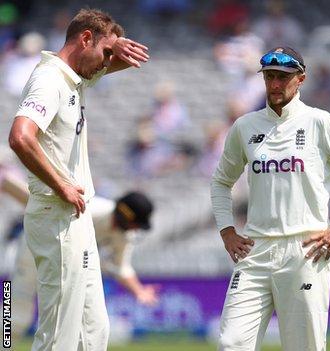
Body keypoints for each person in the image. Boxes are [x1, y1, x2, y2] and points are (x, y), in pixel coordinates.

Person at [211, 46, 330, 350]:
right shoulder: (245, 126)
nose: (275, 84)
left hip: (305, 250)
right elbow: (221, 181)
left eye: (283, 78)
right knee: (231, 343)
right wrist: (226, 230)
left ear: (300, 79)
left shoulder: (319, 122)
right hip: (255, 249)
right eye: (270, 77)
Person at [7, 8, 149, 351]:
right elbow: (20, 137)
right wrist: (61, 184)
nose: (105, 63)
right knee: (57, 334)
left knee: (94, 331)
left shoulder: (73, 78)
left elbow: (109, 63)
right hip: (55, 216)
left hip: (74, 218)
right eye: (104, 53)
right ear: (85, 38)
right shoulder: (50, 80)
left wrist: (117, 50)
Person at [7, 181, 158, 339]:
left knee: (66, 319)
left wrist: (139, 290)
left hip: (64, 261)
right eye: (136, 224)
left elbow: (122, 267)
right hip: (36, 244)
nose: (136, 229)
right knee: (18, 306)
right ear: (125, 216)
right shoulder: (92, 210)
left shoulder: (124, 235)